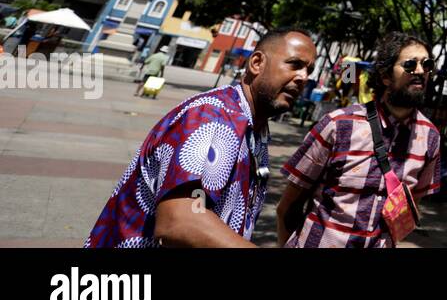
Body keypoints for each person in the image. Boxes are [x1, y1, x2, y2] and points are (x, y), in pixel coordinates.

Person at [85, 28, 317, 248]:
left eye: (309, 70)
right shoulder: (213, 117)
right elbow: (180, 221)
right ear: (256, 63)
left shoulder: (254, 127)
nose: (303, 77)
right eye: (294, 64)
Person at [277, 33, 441, 248]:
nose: (420, 71)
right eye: (410, 65)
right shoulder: (338, 125)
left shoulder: (430, 138)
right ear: (385, 76)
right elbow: (288, 207)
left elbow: (409, 211)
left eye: (427, 64)